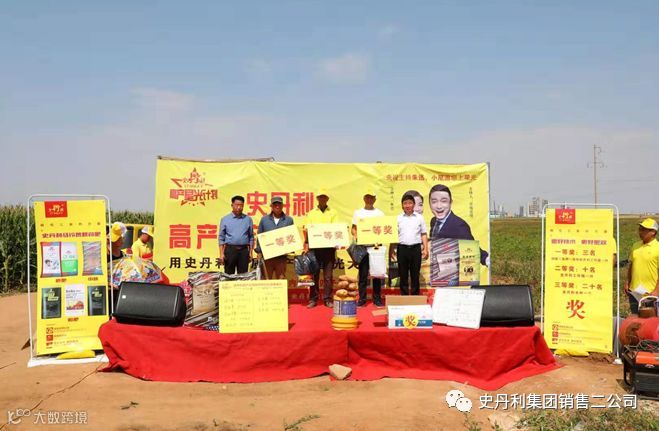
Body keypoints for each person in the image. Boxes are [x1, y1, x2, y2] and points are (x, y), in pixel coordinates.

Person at [428, 184, 488, 265]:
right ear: (429, 203)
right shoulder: (433, 221)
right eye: (434, 202)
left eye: (444, 201)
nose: (439, 206)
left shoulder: (459, 225)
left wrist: (486, 259)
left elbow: (472, 249)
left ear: (450, 202)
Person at [303, 189, 339, 308]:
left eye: (324, 197)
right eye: (320, 197)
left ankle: (328, 299)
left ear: (327, 199)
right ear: (317, 198)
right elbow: (307, 230)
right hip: (315, 248)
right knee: (314, 275)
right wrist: (306, 244)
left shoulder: (333, 212)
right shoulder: (311, 213)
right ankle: (313, 299)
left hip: (329, 248)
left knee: (328, 276)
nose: (322, 199)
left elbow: (336, 229)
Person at [351, 189, 385, 307]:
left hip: (375, 247)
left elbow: (384, 229)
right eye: (367, 197)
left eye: (371, 197)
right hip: (363, 248)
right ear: (364, 198)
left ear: (375, 199)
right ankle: (362, 299)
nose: (369, 199)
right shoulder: (358, 213)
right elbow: (353, 229)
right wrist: (357, 237)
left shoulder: (380, 214)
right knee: (363, 274)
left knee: (377, 274)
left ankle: (377, 299)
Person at [390, 194, 429, 295]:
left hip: (415, 249)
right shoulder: (398, 218)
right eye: (405, 203)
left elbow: (424, 234)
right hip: (402, 249)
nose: (407, 205)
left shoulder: (419, 217)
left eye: (410, 203)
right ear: (402, 205)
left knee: (415, 274)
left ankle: (415, 296)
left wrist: (426, 249)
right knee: (403, 275)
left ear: (414, 204)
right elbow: (393, 235)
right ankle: (404, 296)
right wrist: (391, 250)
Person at [624, 218, 659, 314]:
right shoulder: (635, 246)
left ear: (653, 232)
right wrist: (627, 282)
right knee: (636, 317)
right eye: (640, 229)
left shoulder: (657, 248)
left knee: (650, 319)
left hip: (650, 293)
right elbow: (631, 265)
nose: (640, 232)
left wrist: (657, 290)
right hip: (634, 292)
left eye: (644, 230)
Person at [256, 196, 294, 280]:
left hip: (281, 256)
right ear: (271, 206)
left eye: (279, 204)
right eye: (275, 204)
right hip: (267, 256)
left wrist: (291, 248)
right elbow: (260, 236)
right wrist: (259, 251)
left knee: (281, 279)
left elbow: (291, 236)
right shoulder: (264, 220)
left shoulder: (289, 220)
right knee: (266, 279)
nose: (277, 206)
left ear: (282, 206)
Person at [218, 195, 255, 275]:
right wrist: (221, 254)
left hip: (243, 251)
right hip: (230, 250)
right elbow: (221, 238)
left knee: (243, 276)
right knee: (228, 275)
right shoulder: (225, 219)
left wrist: (250, 253)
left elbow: (251, 237)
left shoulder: (248, 219)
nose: (239, 207)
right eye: (237, 205)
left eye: (241, 205)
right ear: (232, 205)